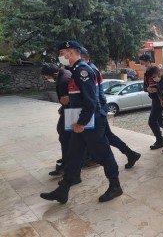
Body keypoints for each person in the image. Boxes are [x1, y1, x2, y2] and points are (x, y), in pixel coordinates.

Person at [40, 40, 122, 204]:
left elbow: (90, 101)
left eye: (62, 53)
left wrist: (81, 123)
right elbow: (81, 96)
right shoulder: (74, 70)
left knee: (103, 154)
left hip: (90, 121)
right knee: (74, 155)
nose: (60, 56)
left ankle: (115, 186)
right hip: (82, 120)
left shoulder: (82, 71)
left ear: (71, 52)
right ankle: (63, 189)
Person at [80, 47, 141, 168]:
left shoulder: (88, 70)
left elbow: (94, 95)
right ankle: (130, 154)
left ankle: (102, 162)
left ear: (81, 57)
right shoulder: (92, 68)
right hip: (100, 108)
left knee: (100, 140)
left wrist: (98, 112)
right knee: (109, 136)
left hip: (97, 110)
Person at [41, 63, 72, 176]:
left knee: (64, 136)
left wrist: (64, 108)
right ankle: (67, 160)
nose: (46, 78)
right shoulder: (65, 73)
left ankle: (66, 164)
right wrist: (62, 107)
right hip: (68, 110)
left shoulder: (63, 80)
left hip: (71, 111)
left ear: (53, 74)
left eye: (46, 76)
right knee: (66, 136)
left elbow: (68, 99)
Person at [140, 54, 163, 149]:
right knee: (160, 121)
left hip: (159, 99)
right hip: (154, 98)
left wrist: (156, 90)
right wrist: (148, 89)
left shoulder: (155, 70)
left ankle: (160, 141)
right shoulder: (146, 73)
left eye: (142, 63)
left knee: (152, 121)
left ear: (148, 62)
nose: (141, 65)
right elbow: (144, 86)